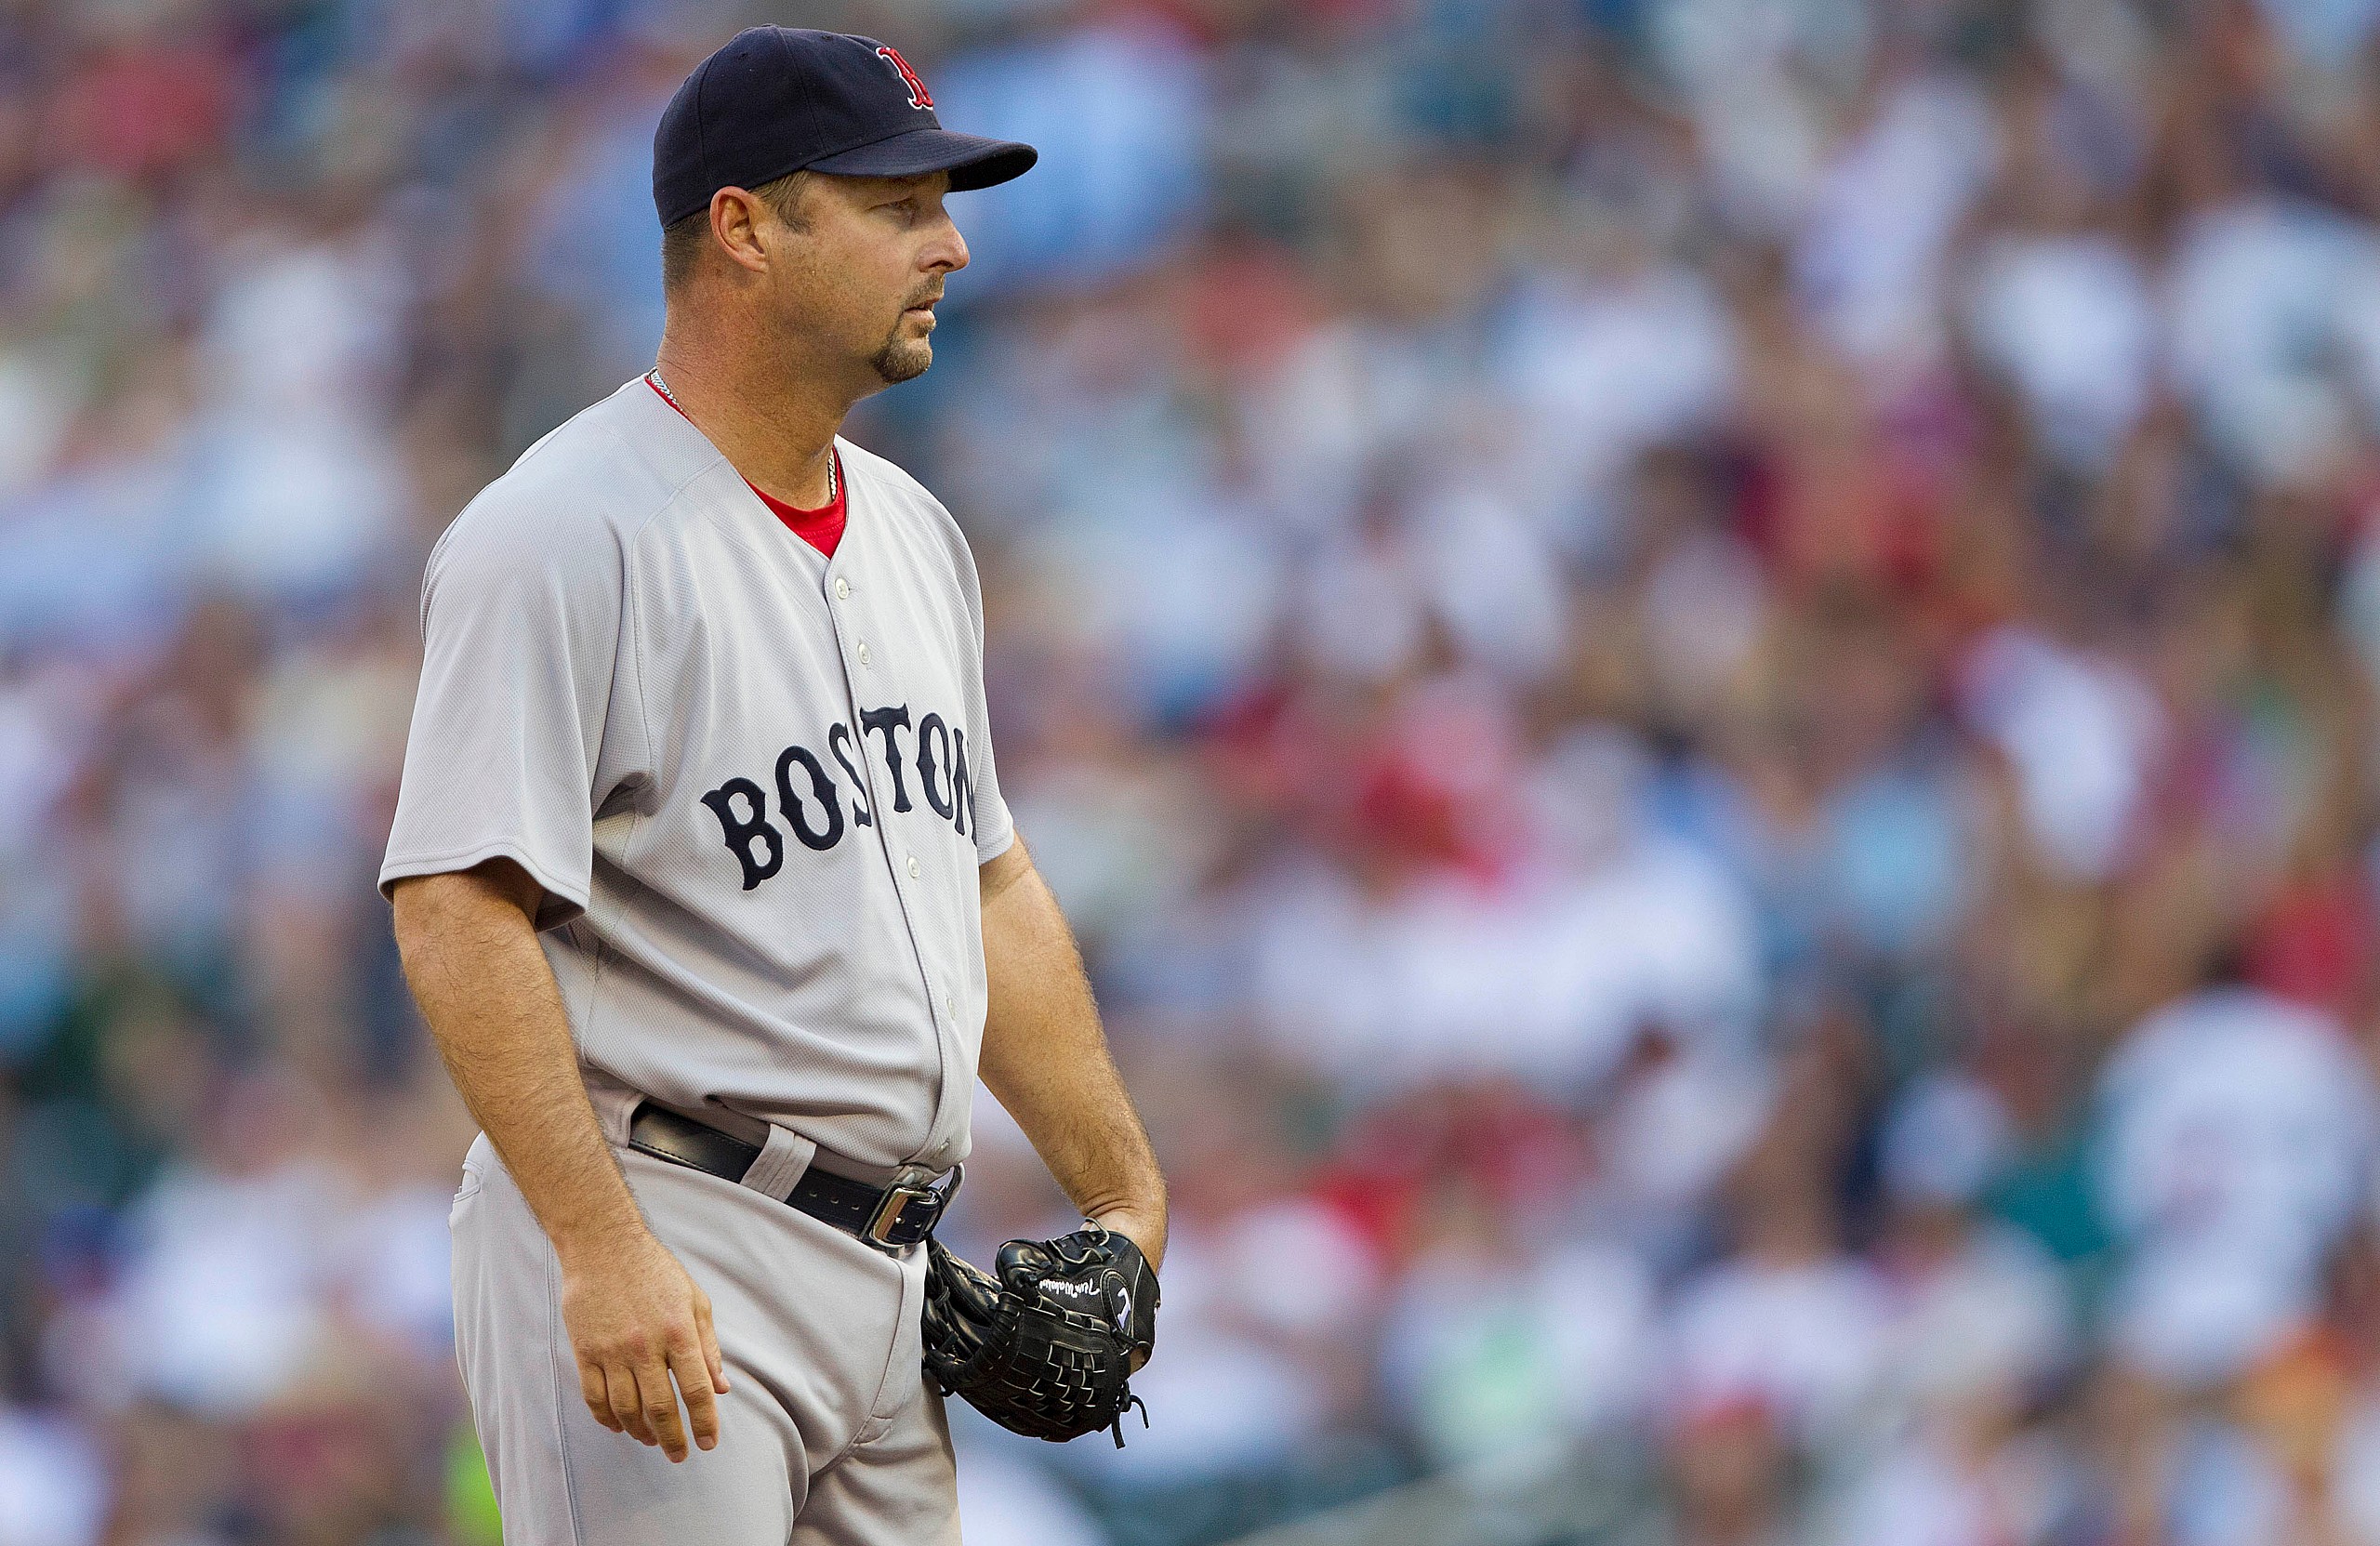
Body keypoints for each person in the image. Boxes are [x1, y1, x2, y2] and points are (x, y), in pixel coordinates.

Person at [377, 27, 1167, 1545]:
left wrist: (1124, 1204)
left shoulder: (916, 531)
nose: (948, 242)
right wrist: (597, 1249)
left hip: (895, 1274)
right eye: (892, 206)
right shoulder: (556, 533)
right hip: (666, 1227)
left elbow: (985, 883)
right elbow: (454, 914)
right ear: (742, 227)